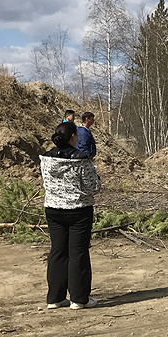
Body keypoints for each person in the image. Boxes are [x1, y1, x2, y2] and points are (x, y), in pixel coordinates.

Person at [40, 120, 102, 309]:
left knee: (57, 251)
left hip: (53, 209)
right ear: (74, 137)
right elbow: (94, 186)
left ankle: (55, 298)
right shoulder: (81, 159)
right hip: (78, 210)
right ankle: (79, 298)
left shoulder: (45, 158)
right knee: (78, 253)